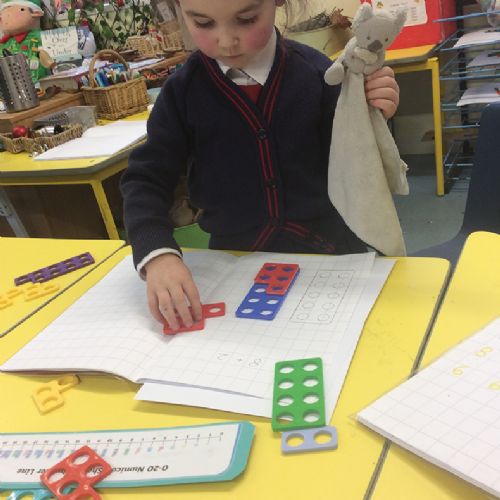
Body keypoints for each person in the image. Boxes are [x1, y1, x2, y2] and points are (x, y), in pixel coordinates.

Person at [121, 0, 400, 331]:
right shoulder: (182, 93)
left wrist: (372, 114)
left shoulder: (319, 74)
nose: (226, 41)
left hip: (331, 255)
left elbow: (359, 165)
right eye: (203, 23)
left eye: (246, 19)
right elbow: (146, 176)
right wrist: (157, 253)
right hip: (236, 263)